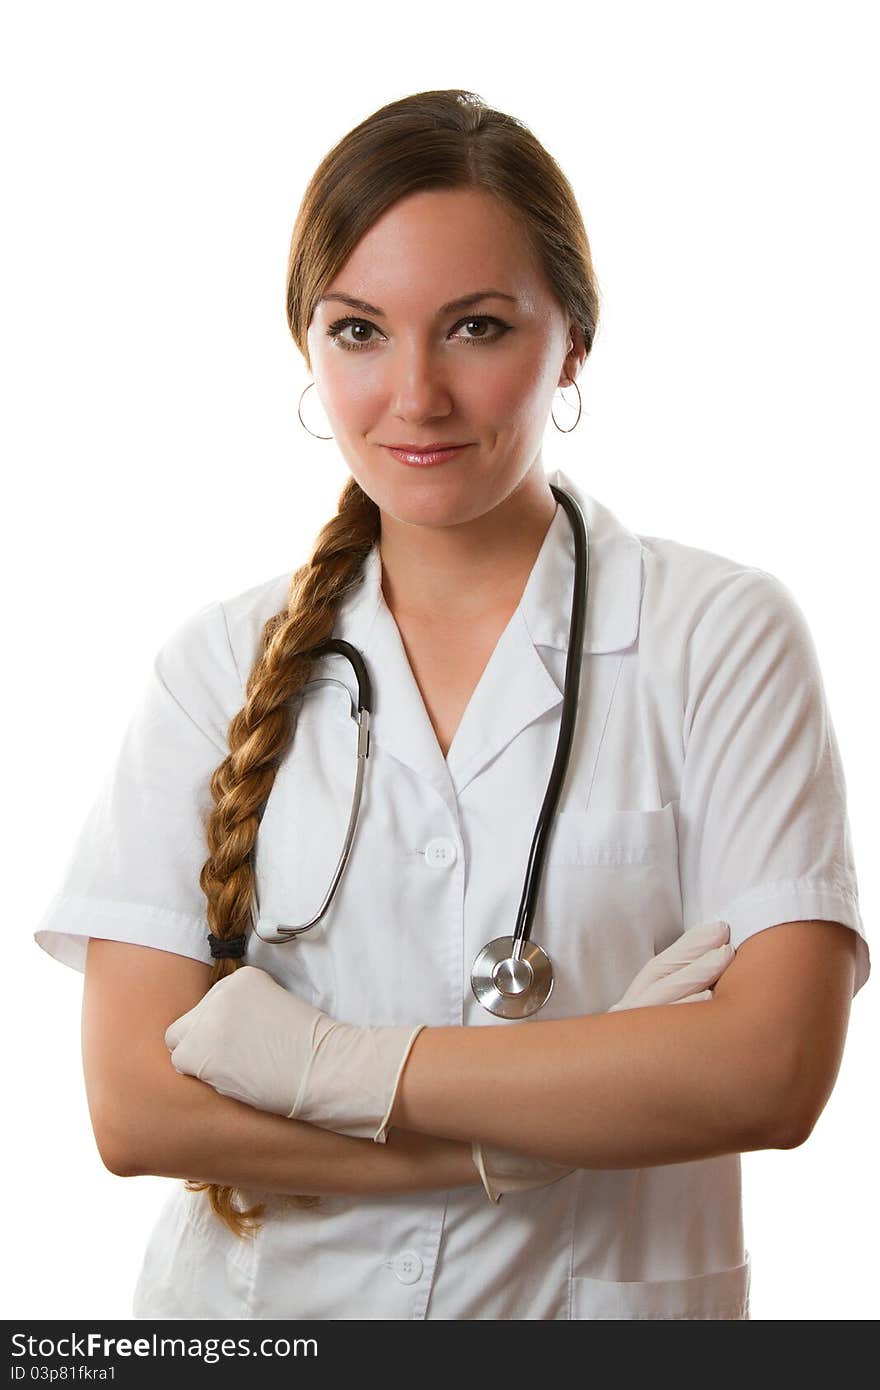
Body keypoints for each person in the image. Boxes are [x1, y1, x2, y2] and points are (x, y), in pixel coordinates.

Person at [34, 88, 869, 1322]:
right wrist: (510, 1143)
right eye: (359, 330)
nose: (414, 394)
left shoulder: (719, 637)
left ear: (572, 342)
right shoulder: (213, 666)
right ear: (307, 347)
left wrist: (331, 1069)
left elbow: (770, 1071)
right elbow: (136, 1108)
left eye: (476, 327)